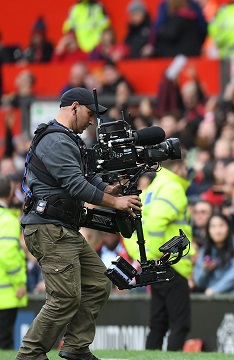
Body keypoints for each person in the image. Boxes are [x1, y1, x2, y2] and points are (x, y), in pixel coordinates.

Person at [17, 87, 142, 360]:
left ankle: (75, 347)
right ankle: (30, 355)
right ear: (74, 107)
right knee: (64, 297)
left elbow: (84, 177)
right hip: (48, 227)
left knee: (98, 282)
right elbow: (74, 184)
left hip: (63, 228)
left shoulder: (69, 140)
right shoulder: (56, 140)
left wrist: (110, 190)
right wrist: (115, 203)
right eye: (89, 114)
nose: (91, 121)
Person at [125, 157, 193, 351]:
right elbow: (156, 223)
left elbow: (133, 227)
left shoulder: (152, 189)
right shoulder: (173, 188)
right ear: (179, 168)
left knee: (159, 323)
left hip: (157, 265)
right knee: (180, 323)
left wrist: (144, 257)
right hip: (173, 264)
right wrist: (156, 256)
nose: (187, 172)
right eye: (186, 168)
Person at [192, 213, 234, 294]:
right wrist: (204, 270)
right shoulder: (205, 250)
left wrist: (215, 290)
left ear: (228, 228)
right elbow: (198, 282)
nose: (218, 231)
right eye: (213, 227)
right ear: (208, 230)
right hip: (213, 300)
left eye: (221, 225)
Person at [0, 175, 27, 350]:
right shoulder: (7, 220)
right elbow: (8, 254)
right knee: (5, 343)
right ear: (10, 192)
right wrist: (18, 283)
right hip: (6, 294)